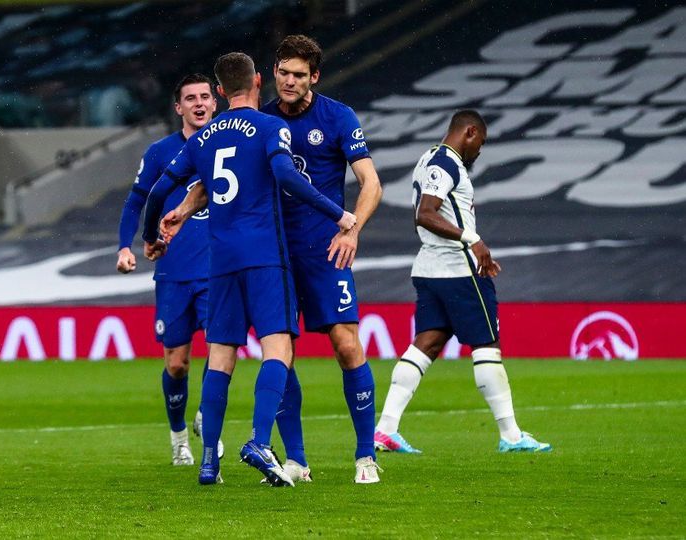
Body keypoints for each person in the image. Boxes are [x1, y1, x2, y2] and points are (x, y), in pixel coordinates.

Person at [142, 52, 357, 486]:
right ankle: (260, 440)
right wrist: (339, 214)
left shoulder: (201, 140)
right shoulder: (270, 126)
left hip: (218, 261)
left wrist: (154, 236)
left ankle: (208, 462)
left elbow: (158, 190)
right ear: (259, 81)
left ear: (219, 91)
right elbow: (288, 176)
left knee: (220, 356)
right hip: (264, 256)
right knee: (277, 349)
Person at [373, 110, 552, 454]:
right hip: (459, 270)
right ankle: (512, 436)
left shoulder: (426, 158)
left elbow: (424, 218)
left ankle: (385, 429)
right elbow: (424, 214)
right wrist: (472, 238)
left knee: (426, 343)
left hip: (429, 268)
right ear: (469, 132)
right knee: (486, 346)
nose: (479, 153)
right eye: (480, 144)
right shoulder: (447, 162)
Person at [260, 35, 384, 484]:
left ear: (314, 76)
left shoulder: (337, 116)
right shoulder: (259, 120)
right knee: (280, 353)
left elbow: (371, 183)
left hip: (325, 250)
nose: (289, 81)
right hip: (272, 254)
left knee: (346, 344)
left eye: (299, 74)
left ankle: (366, 455)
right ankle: (296, 460)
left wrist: (352, 228)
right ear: (273, 72)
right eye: (283, 71)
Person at [116, 73, 222, 466]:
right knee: (177, 363)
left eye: (205, 97)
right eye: (190, 98)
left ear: (215, 103)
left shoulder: (231, 144)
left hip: (219, 270)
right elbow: (135, 201)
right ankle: (179, 436)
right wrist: (125, 246)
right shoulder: (161, 152)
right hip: (174, 272)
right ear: (178, 107)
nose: (198, 103)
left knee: (221, 348)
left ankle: (207, 416)